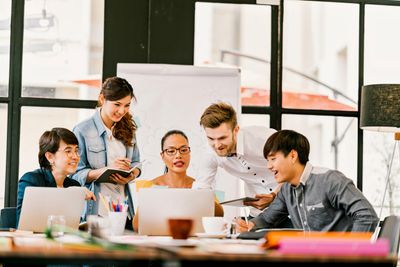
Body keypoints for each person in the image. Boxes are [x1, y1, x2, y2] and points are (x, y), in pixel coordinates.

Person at [236, 130, 379, 233]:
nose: (268, 166)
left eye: (273, 159)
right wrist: (250, 225)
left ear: (292, 156)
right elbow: (268, 219)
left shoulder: (330, 180)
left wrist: (352, 253)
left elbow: (367, 216)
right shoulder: (286, 189)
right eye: (267, 160)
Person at [72, 77, 141, 226]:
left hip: (123, 210)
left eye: (127, 105)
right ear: (102, 99)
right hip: (96, 213)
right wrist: (106, 171)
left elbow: (137, 163)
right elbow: (74, 175)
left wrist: (131, 175)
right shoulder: (82, 130)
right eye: (117, 104)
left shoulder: (129, 129)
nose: (122, 111)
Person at [193, 102, 279, 217]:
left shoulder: (264, 138)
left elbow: (293, 170)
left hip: (290, 207)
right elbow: (202, 189)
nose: (217, 145)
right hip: (259, 214)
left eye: (222, 138)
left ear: (236, 130)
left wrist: (274, 195)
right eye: (211, 138)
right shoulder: (209, 153)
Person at [133, 130, 224, 231]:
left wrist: (202, 196)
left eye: (184, 150)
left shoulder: (200, 185)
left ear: (189, 153)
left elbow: (219, 215)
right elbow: (137, 226)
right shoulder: (151, 186)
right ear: (162, 156)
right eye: (171, 151)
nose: (178, 155)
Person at [17, 128, 95, 225]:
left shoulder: (74, 185)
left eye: (76, 150)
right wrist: (69, 193)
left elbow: (71, 225)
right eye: (68, 151)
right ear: (50, 157)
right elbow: (23, 224)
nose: (75, 156)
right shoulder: (31, 180)